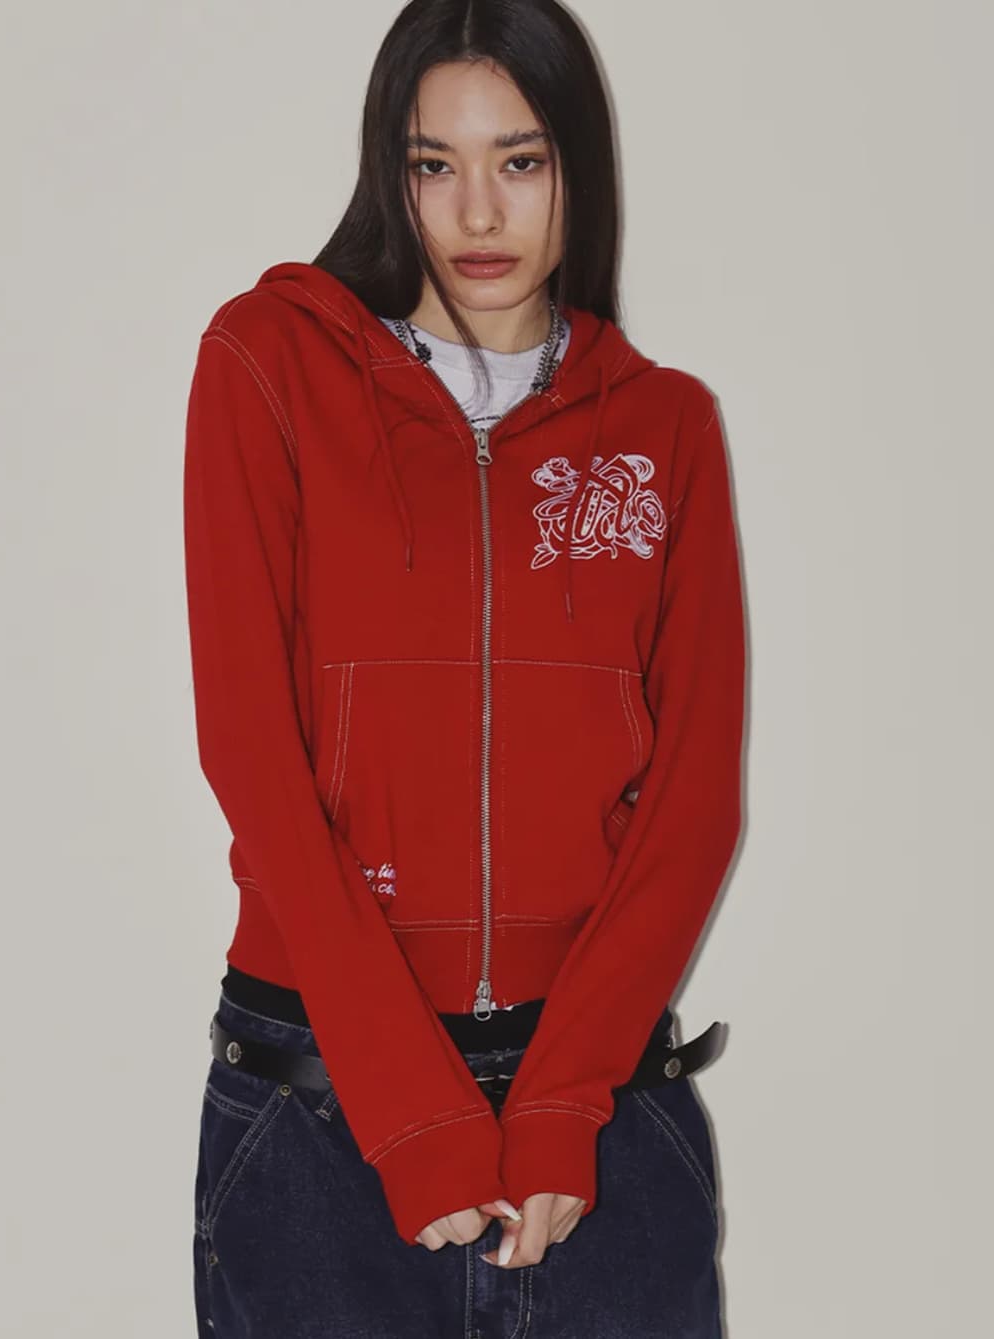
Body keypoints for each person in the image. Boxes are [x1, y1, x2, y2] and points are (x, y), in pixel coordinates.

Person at [182, 1, 746, 1334]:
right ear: (389, 172)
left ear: (577, 168)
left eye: (520, 160)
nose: (477, 213)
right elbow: (253, 753)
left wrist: (560, 1103)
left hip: (601, 1109)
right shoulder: (269, 367)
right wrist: (413, 1111)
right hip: (321, 1112)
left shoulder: (663, 427)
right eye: (433, 163)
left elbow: (691, 797)